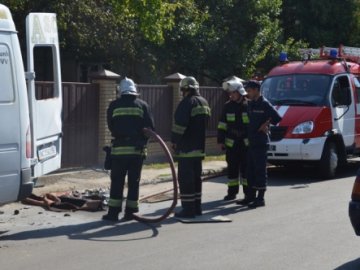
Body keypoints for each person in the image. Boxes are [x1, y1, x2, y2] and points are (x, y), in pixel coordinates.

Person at [103, 77, 154, 221]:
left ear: (120, 91)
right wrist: (141, 140)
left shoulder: (114, 105)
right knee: (134, 182)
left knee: (117, 182)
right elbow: (150, 129)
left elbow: (111, 126)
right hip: (137, 152)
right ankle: (130, 213)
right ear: (134, 90)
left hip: (119, 152)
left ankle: (113, 214)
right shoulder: (143, 105)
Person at [171, 76, 211, 218]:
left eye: (182, 90)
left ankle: (188, 210)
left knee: (186, 179)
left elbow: (179, 125)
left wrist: (174, 140)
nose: (182, 92)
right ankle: (197, 207)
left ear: (185, 89)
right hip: (199, 148)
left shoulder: (187, 103)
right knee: (196, 178)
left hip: (186, 148)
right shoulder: (204, 102)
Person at [245, 80, 282, 208]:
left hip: (261, 142)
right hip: (251, 141)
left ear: (256, 90)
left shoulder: (264, 104)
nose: (247, 93)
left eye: (249, 90)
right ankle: (250, 197)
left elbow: (277, 118)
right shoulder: (251, 104)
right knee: (250, 171)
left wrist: (266, 124)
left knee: (260, 170)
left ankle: (260, 199)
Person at [217, 79, 250, 203]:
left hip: (246, 144)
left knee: (246, 171)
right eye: (229, 93)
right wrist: (220, 140)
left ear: (240, 92)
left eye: (233, 93)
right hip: (232, 144)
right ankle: (232, 193)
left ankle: (248, 194)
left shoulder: (249, 105)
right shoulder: (227, 106)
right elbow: (222, 124)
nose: (231, 95)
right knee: (232, 170)